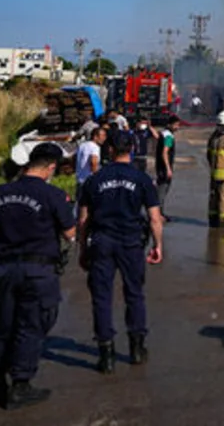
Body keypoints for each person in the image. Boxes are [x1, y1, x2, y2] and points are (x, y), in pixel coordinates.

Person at [0, 143, 76, 409]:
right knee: (31, 326)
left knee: (4, 326)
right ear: (51, 167)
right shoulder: (53, 195)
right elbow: (70, 233)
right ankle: (20, 384)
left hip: (6, 268)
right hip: (38, 270)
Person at [76, 129, 165, 374]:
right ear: (133, 150)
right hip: (131, 243)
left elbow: (83, 219)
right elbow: (155, 218)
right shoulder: (142, 179)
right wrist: (158, 245)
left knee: (101, 297)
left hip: (102, 241)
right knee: (134, 294)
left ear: (110, 150)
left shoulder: (94, 180)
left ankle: (106, 355)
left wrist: (82, 249)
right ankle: (137, 349)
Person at [155, 115, 180, 221]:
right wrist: (168, 168)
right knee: (162, 190)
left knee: (161, 189)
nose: (178, 127)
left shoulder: (163, 134)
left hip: (159, 166)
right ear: (170, 125)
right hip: (164, 167)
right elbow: (165, 152)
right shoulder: (169, 137)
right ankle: (159, 214)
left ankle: (159, 212)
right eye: (176, 125)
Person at [75, 126, 106, 203]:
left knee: (79, 206)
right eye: (102, 136)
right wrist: (98, 178)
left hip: (80, 180)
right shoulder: (95, 147)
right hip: (90, 181)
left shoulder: (82, 145)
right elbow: (93, 162)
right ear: (95, 136)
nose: (104, 138)